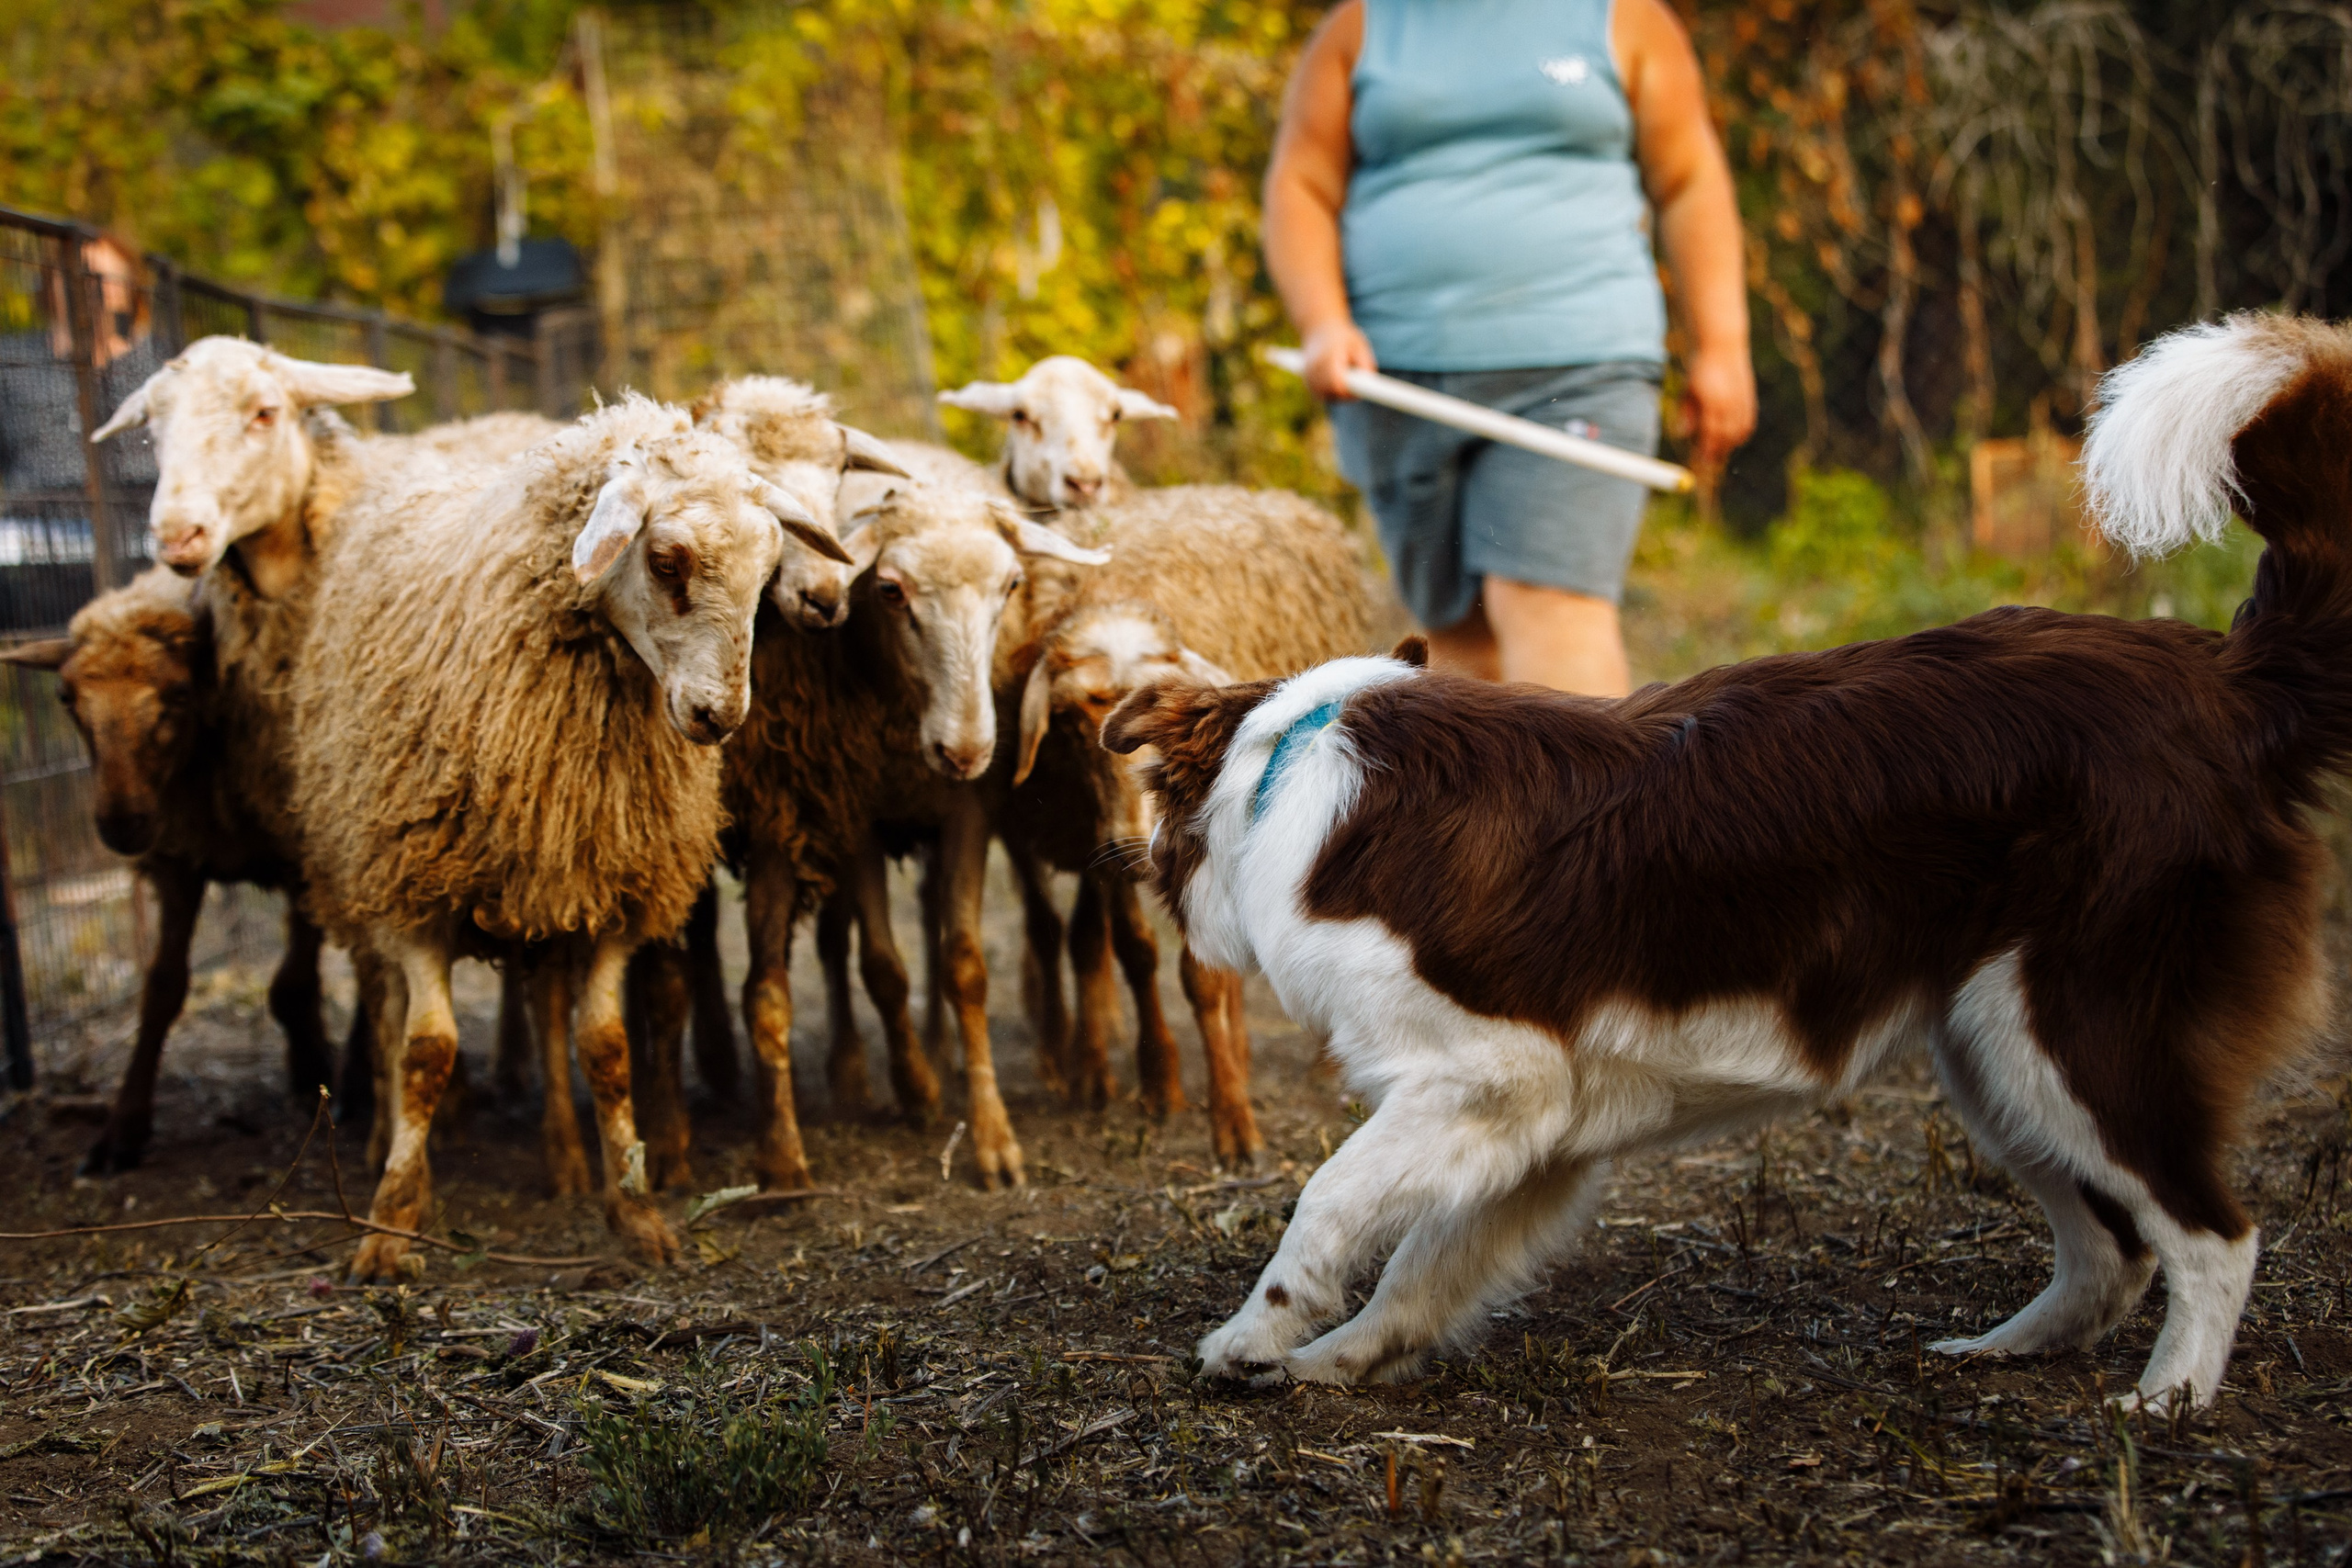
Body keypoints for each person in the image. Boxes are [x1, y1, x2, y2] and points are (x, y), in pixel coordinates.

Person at [1264, 0, 1755, 694]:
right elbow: (1301, 185)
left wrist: (1723, 343)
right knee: (1456, 641)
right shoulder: (1362, 29)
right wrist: (1322, 321)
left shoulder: (1622, 19)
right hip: (1393, 377)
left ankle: (1601, 805)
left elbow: (1689, 180)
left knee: (1549, 606)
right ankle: (1490, 807)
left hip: (1579, 366)